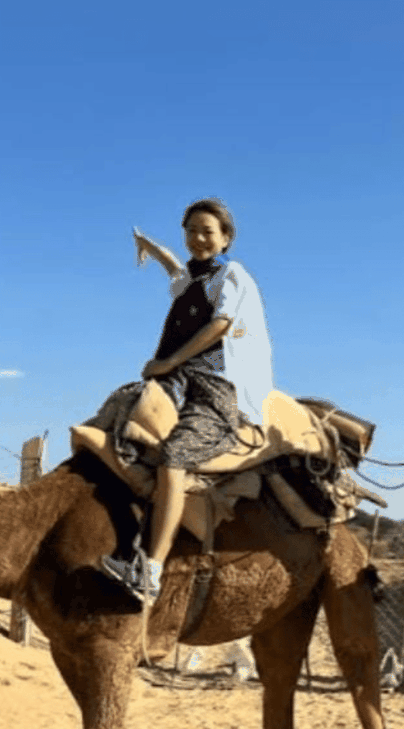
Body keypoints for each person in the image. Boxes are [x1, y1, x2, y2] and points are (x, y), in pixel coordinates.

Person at [101, 198, 274, 604]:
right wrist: (149, 245)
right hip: (179, 380)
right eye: (191, 231)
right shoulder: (194, 279)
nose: (198, 239)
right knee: (123, 418)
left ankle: (151, 572)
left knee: (174, 455)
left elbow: (221, 324)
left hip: (217, 388)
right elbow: (174, 268)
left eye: (207, 232)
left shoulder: (231, 275)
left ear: (226, 238)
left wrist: (167, 362)